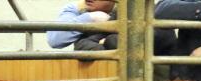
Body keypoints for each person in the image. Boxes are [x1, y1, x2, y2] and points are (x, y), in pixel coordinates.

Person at [47, 0, 177, 54]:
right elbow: (56, 40)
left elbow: (134, 42)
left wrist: (106, 42)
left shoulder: (139, 11)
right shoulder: (79, 9)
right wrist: (89, 18)